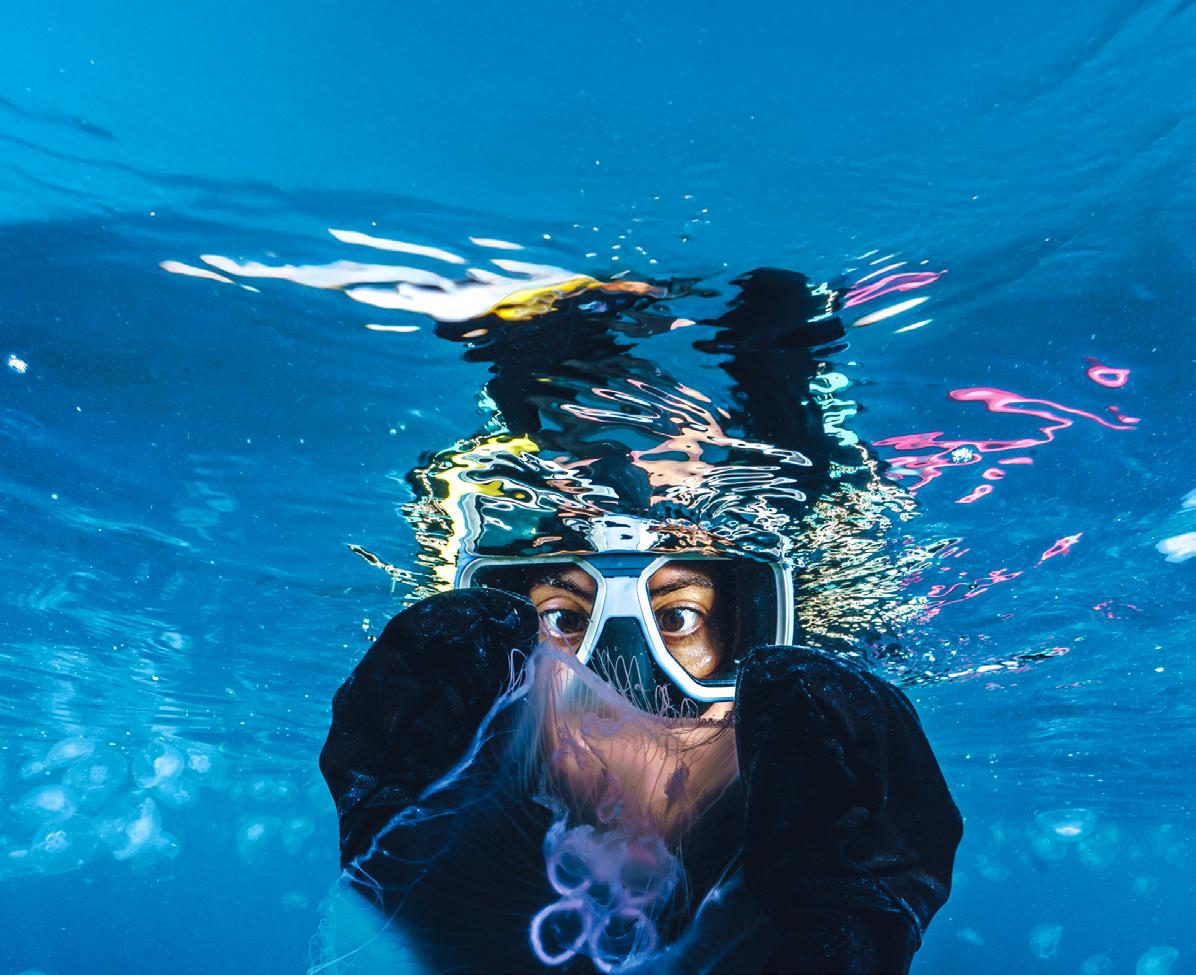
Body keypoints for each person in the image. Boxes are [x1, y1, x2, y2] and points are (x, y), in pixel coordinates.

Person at [317, 268, 963, 974]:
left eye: (678, 615)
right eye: (563, 618)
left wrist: (403, 874)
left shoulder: (463, 818)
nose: (620, 692)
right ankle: (783, 343)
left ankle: (542, 344)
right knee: (792, 409)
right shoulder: (810, 781)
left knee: (542, 358)